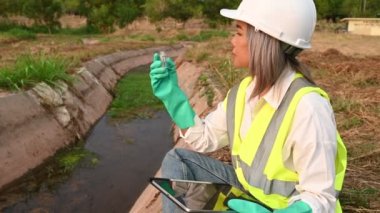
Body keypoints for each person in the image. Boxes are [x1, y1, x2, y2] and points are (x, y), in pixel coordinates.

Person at [149, 0, 347, 212]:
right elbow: (205, 139)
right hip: (247, 192)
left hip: (284, 207)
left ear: (263, 39)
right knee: (177, 159)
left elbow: (321, 197)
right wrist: (173, 97)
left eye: (239, 32)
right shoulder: (243, 92)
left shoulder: (308, 107)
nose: (232, 41)